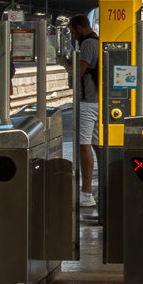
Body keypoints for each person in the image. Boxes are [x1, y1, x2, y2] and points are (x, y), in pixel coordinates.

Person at [61, 14, 99, 209]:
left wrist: (65, 64)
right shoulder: (97, 41)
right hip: (97, 101)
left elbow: (79, 72)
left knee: (84, 144)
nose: (73, 35)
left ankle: (86, 192)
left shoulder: (87, 44)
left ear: (80, 27)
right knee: (97, 144)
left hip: (88, 102)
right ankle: (104, 186)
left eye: (72, 31)